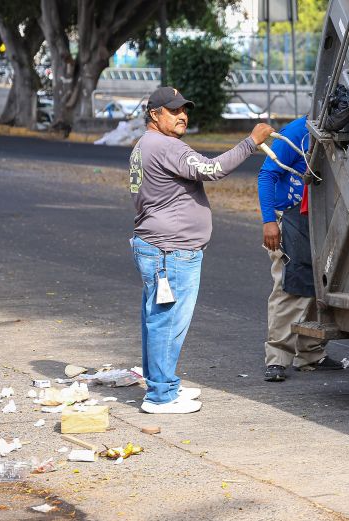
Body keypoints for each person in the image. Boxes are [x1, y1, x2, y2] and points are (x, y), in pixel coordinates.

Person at [130, 86, 273, 413]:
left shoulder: (145, 144)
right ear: (155, 114)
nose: (183, 116)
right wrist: (252, 142)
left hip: (159, 247)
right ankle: (160, 396)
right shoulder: (166, 146)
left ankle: (162, 385)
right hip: (170, 251)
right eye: (174, 110)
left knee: (158, 320)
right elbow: (212, 169)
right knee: (167, 323)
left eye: (184, 109)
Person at [258, 116, 345, 382]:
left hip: (319, 218)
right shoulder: (298, 131)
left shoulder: (340, 130)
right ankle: (277, 360)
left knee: (317, 287)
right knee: (288, 289)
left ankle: (310, 355)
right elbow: (267, 174)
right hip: (289, 218)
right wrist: (269, 221)